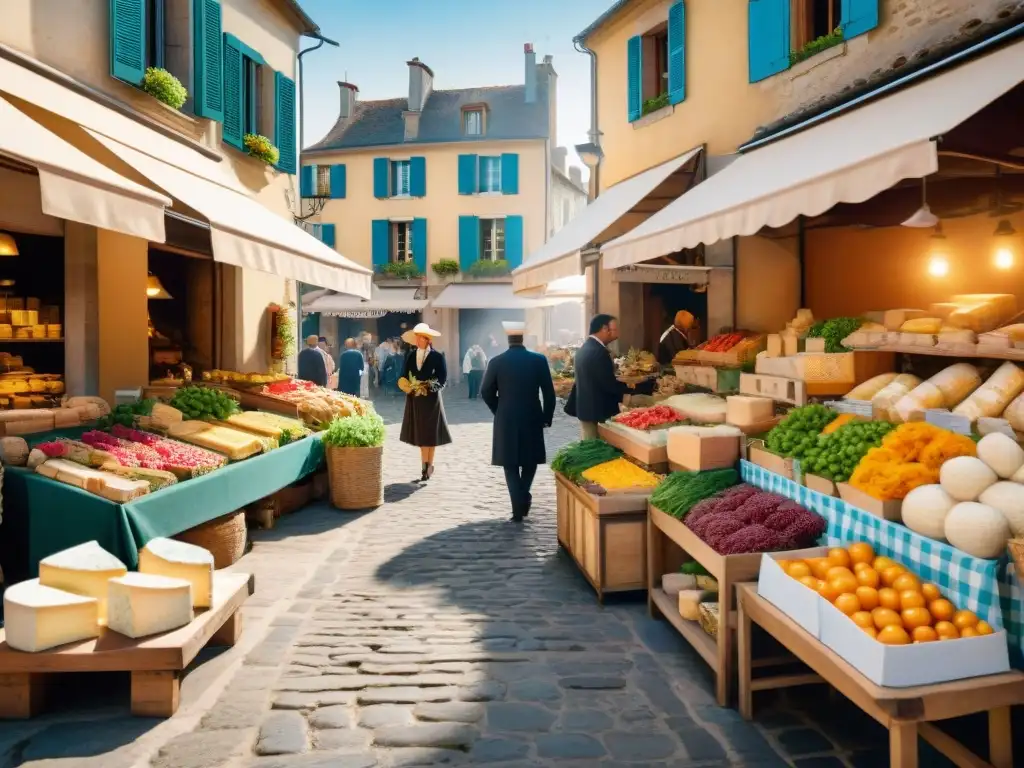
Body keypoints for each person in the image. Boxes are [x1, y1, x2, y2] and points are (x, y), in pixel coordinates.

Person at [481, 321, 556, 522]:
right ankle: (523, 497)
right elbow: (549, 393)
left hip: (506, 418)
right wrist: (546, 418)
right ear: (523, 338)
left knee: (510, 463)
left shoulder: (496, 362)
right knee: (530, 461)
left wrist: (499, 409)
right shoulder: (538, 360)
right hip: (532, 415)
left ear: (508, 338)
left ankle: (518, 507)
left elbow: (486, 391)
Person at [400, 322, 451, 481]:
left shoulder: (437, 357)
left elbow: (442, 379)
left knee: (431, 433)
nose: (417, 340)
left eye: (420, 337)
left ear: (427, 339)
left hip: (431, 400)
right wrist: (406, 385)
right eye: (416, 337)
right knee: (422, 434)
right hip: (415, 399)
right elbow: (403, 375)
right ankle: (425, 465)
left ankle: (428, 466)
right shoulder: (410, 356)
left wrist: (429, 386)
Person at [568, 314, 629, 440]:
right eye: (615, 329)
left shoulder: (584, 348)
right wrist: (630, 389)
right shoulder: (599, 352)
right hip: (598, 413)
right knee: (597, 451)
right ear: (604, 329)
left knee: (589, 446)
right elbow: (608, 384)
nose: (617, 334)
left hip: (586, 410)